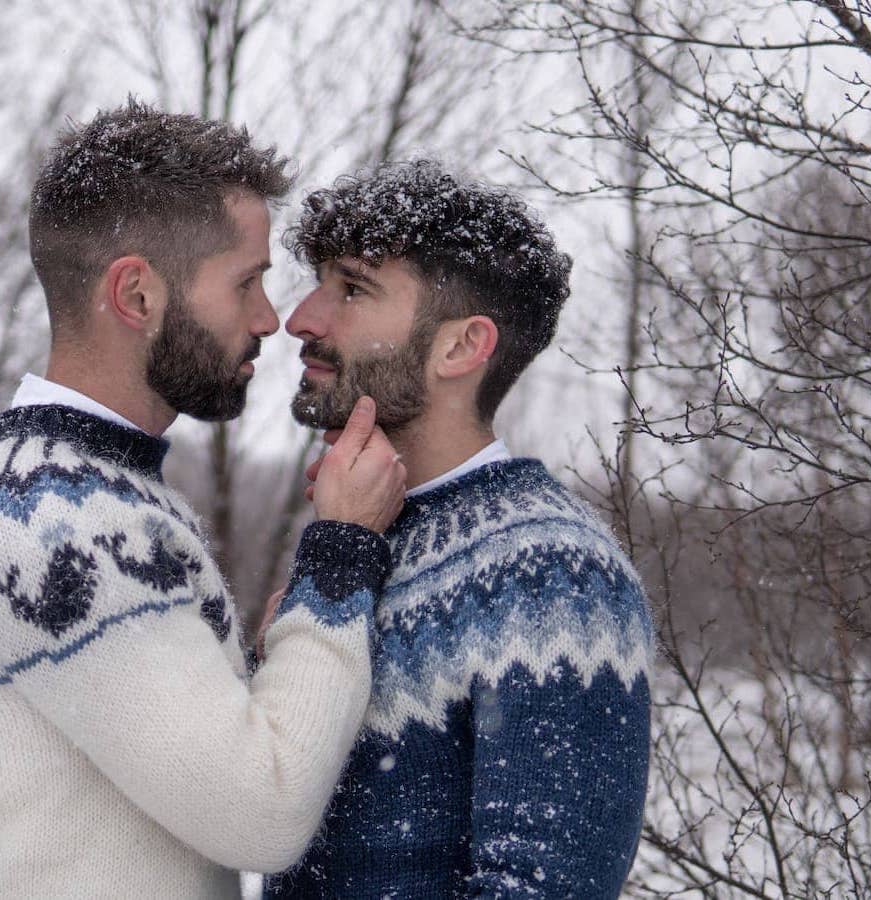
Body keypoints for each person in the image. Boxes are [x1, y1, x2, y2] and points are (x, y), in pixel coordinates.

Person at [0, 100, 406, 899]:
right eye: (246, 282)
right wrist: (341, 558)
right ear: (136, 295)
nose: (270, 319)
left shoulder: (53, 488)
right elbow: (262, 812)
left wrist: (277, 661)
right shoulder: (60, 521)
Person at [261, 160, 654, 898]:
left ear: (460, 347)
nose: (301, 319)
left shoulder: (556, 578)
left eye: (351, 289)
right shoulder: (357, 537)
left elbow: (542, 888)